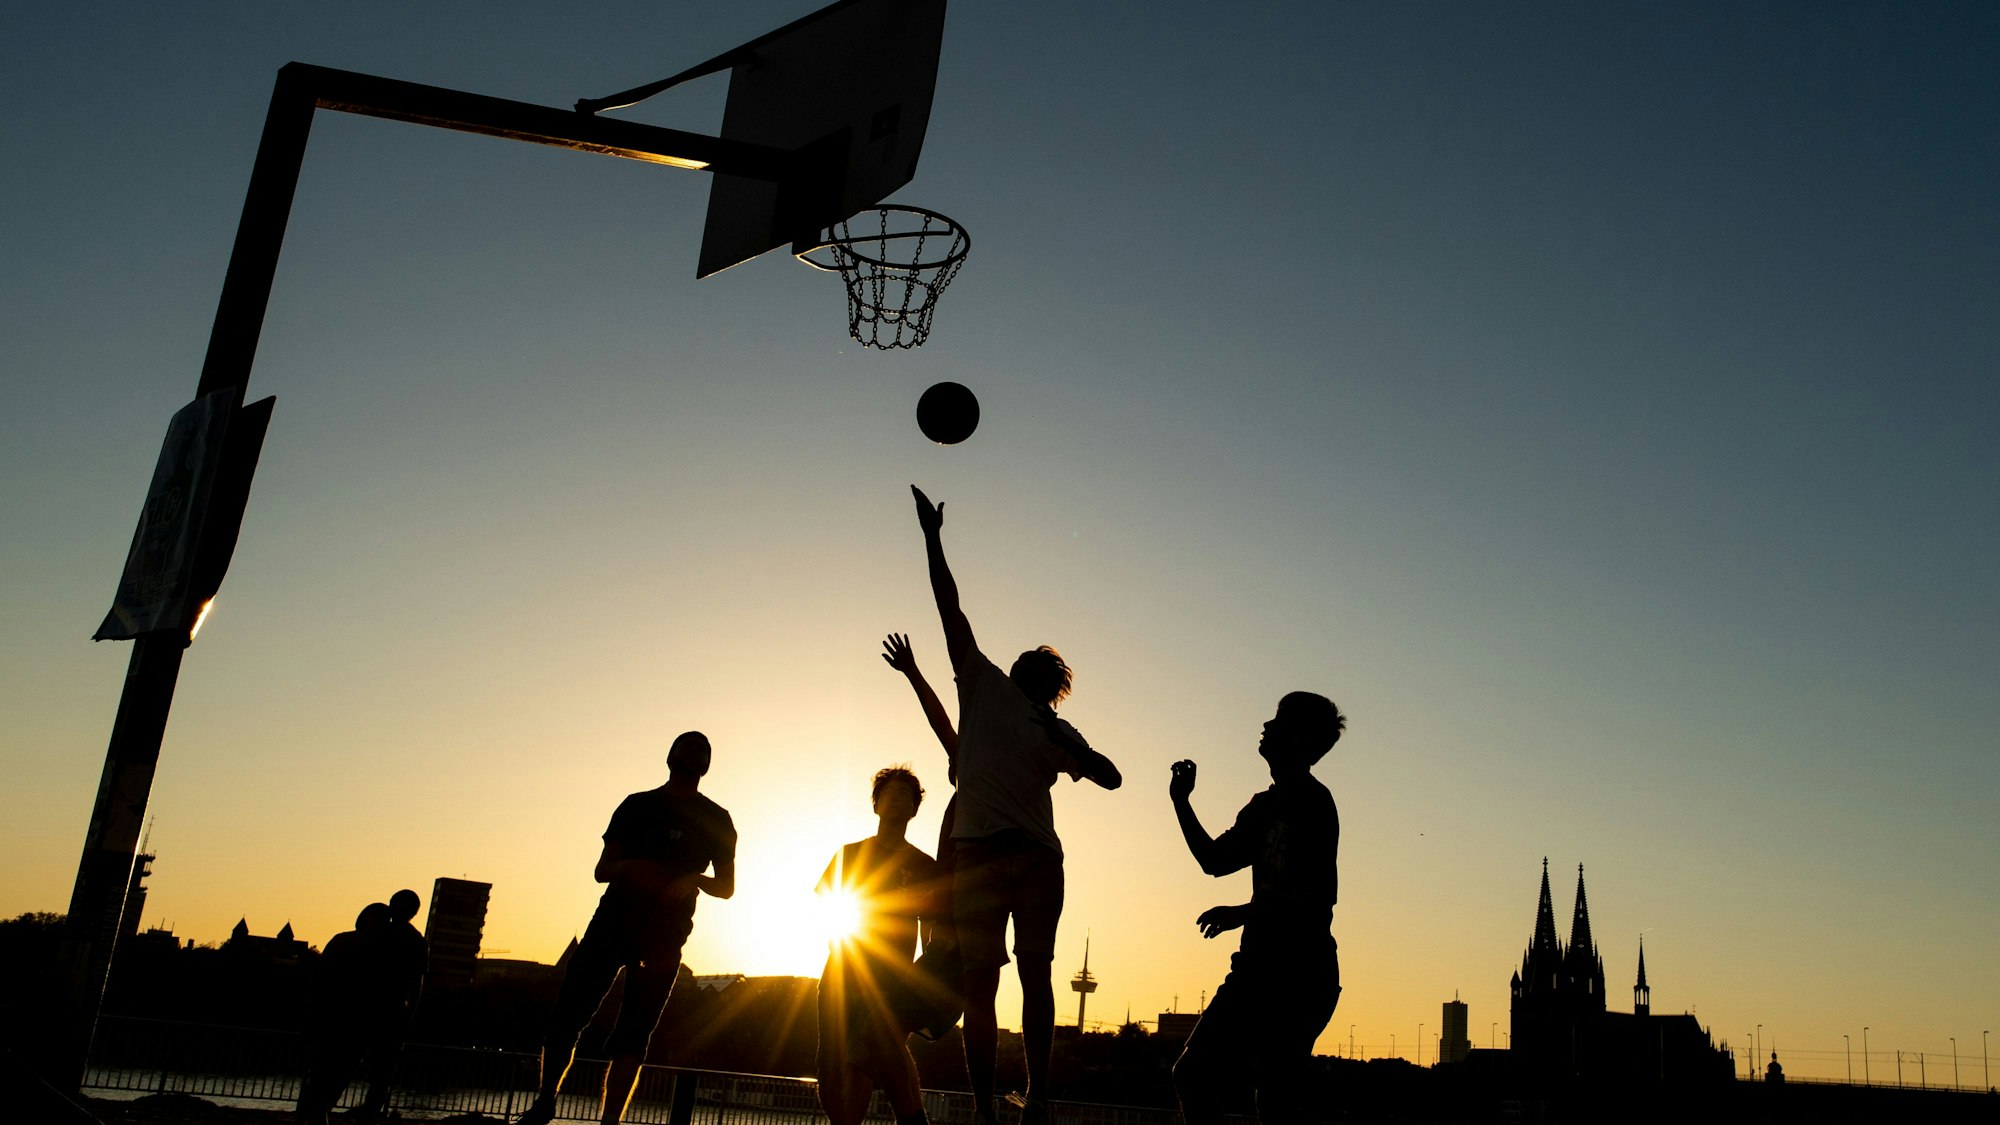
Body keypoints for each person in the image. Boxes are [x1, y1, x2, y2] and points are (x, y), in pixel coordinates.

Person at [909, 486, 1123, 1125]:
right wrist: (932, 537)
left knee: (1029, 977)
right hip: (985, 856)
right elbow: (948, 606)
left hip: (1028, 860)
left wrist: (1064, 739)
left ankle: (1033, 1098)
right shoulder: (979, 681)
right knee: (988, 985)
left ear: (1052, 690)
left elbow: (1111, 777)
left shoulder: (1049, 727)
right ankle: (988, 1106)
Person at [516, 732, 736, 1125]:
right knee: (569, 1015)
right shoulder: (637, 805)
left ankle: (610, 1122)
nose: (695, 754)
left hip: (665, 935)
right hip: (613, 922)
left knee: (636, 1030)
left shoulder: (718, 819)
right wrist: (631, 867)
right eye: (687, 747)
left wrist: (695, 880)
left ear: (708, 765)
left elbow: (727, 887)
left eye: (703, 750)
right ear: (669, 757)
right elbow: (602, 870)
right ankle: (546, 1101)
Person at [1167, 692, 1346, 1125]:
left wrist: (1243, 913)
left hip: (1302, 973)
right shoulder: (1262, 806)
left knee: (1273, 1094)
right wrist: (1181, 802)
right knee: (1194, 1075)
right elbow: (1214, 861)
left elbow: (1314, 897)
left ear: (1301, 740)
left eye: (1279, 720)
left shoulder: (1315, 805)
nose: (1266, 725)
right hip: (1255, 971)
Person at [816, 767, 940, 1125]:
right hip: (841, 974)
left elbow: (930, 928)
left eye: (907, 794)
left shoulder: (923, 866)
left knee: (861, 1062)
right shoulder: (849, 854)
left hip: (891, 981)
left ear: (915, 810)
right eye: (890, 792)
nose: (898, 797)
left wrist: (924, 980)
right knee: (830, 1070)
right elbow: (828, 906)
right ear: (876, 805)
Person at [298, 902, 394, 1125]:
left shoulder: (345, 941)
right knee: (333, 1076)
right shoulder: (379, 950)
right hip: (349, 1023)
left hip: (340, 1022)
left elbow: (320, 981)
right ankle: (317, 1114)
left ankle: (313, 1115)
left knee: (326, 1076)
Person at [356, 888, 428, 1121]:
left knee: (345, 1063)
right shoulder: (416, 941)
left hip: (364, 1007)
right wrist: (410, 1016)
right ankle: (370, 1113)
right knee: (383, 1073)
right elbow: (417, 983)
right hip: (394, 1012)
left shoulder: (374, 933)